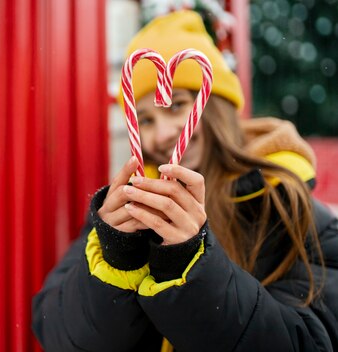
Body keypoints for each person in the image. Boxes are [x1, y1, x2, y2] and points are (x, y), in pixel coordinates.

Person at [32, 10, 338, 352]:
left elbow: (312, 340)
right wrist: (118, 261)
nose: (162, 134)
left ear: (215, 106)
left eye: (177, 105)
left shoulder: (285, 206)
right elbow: (57, 333)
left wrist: (192, 266)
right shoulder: (123, 215)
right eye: (145, 119)